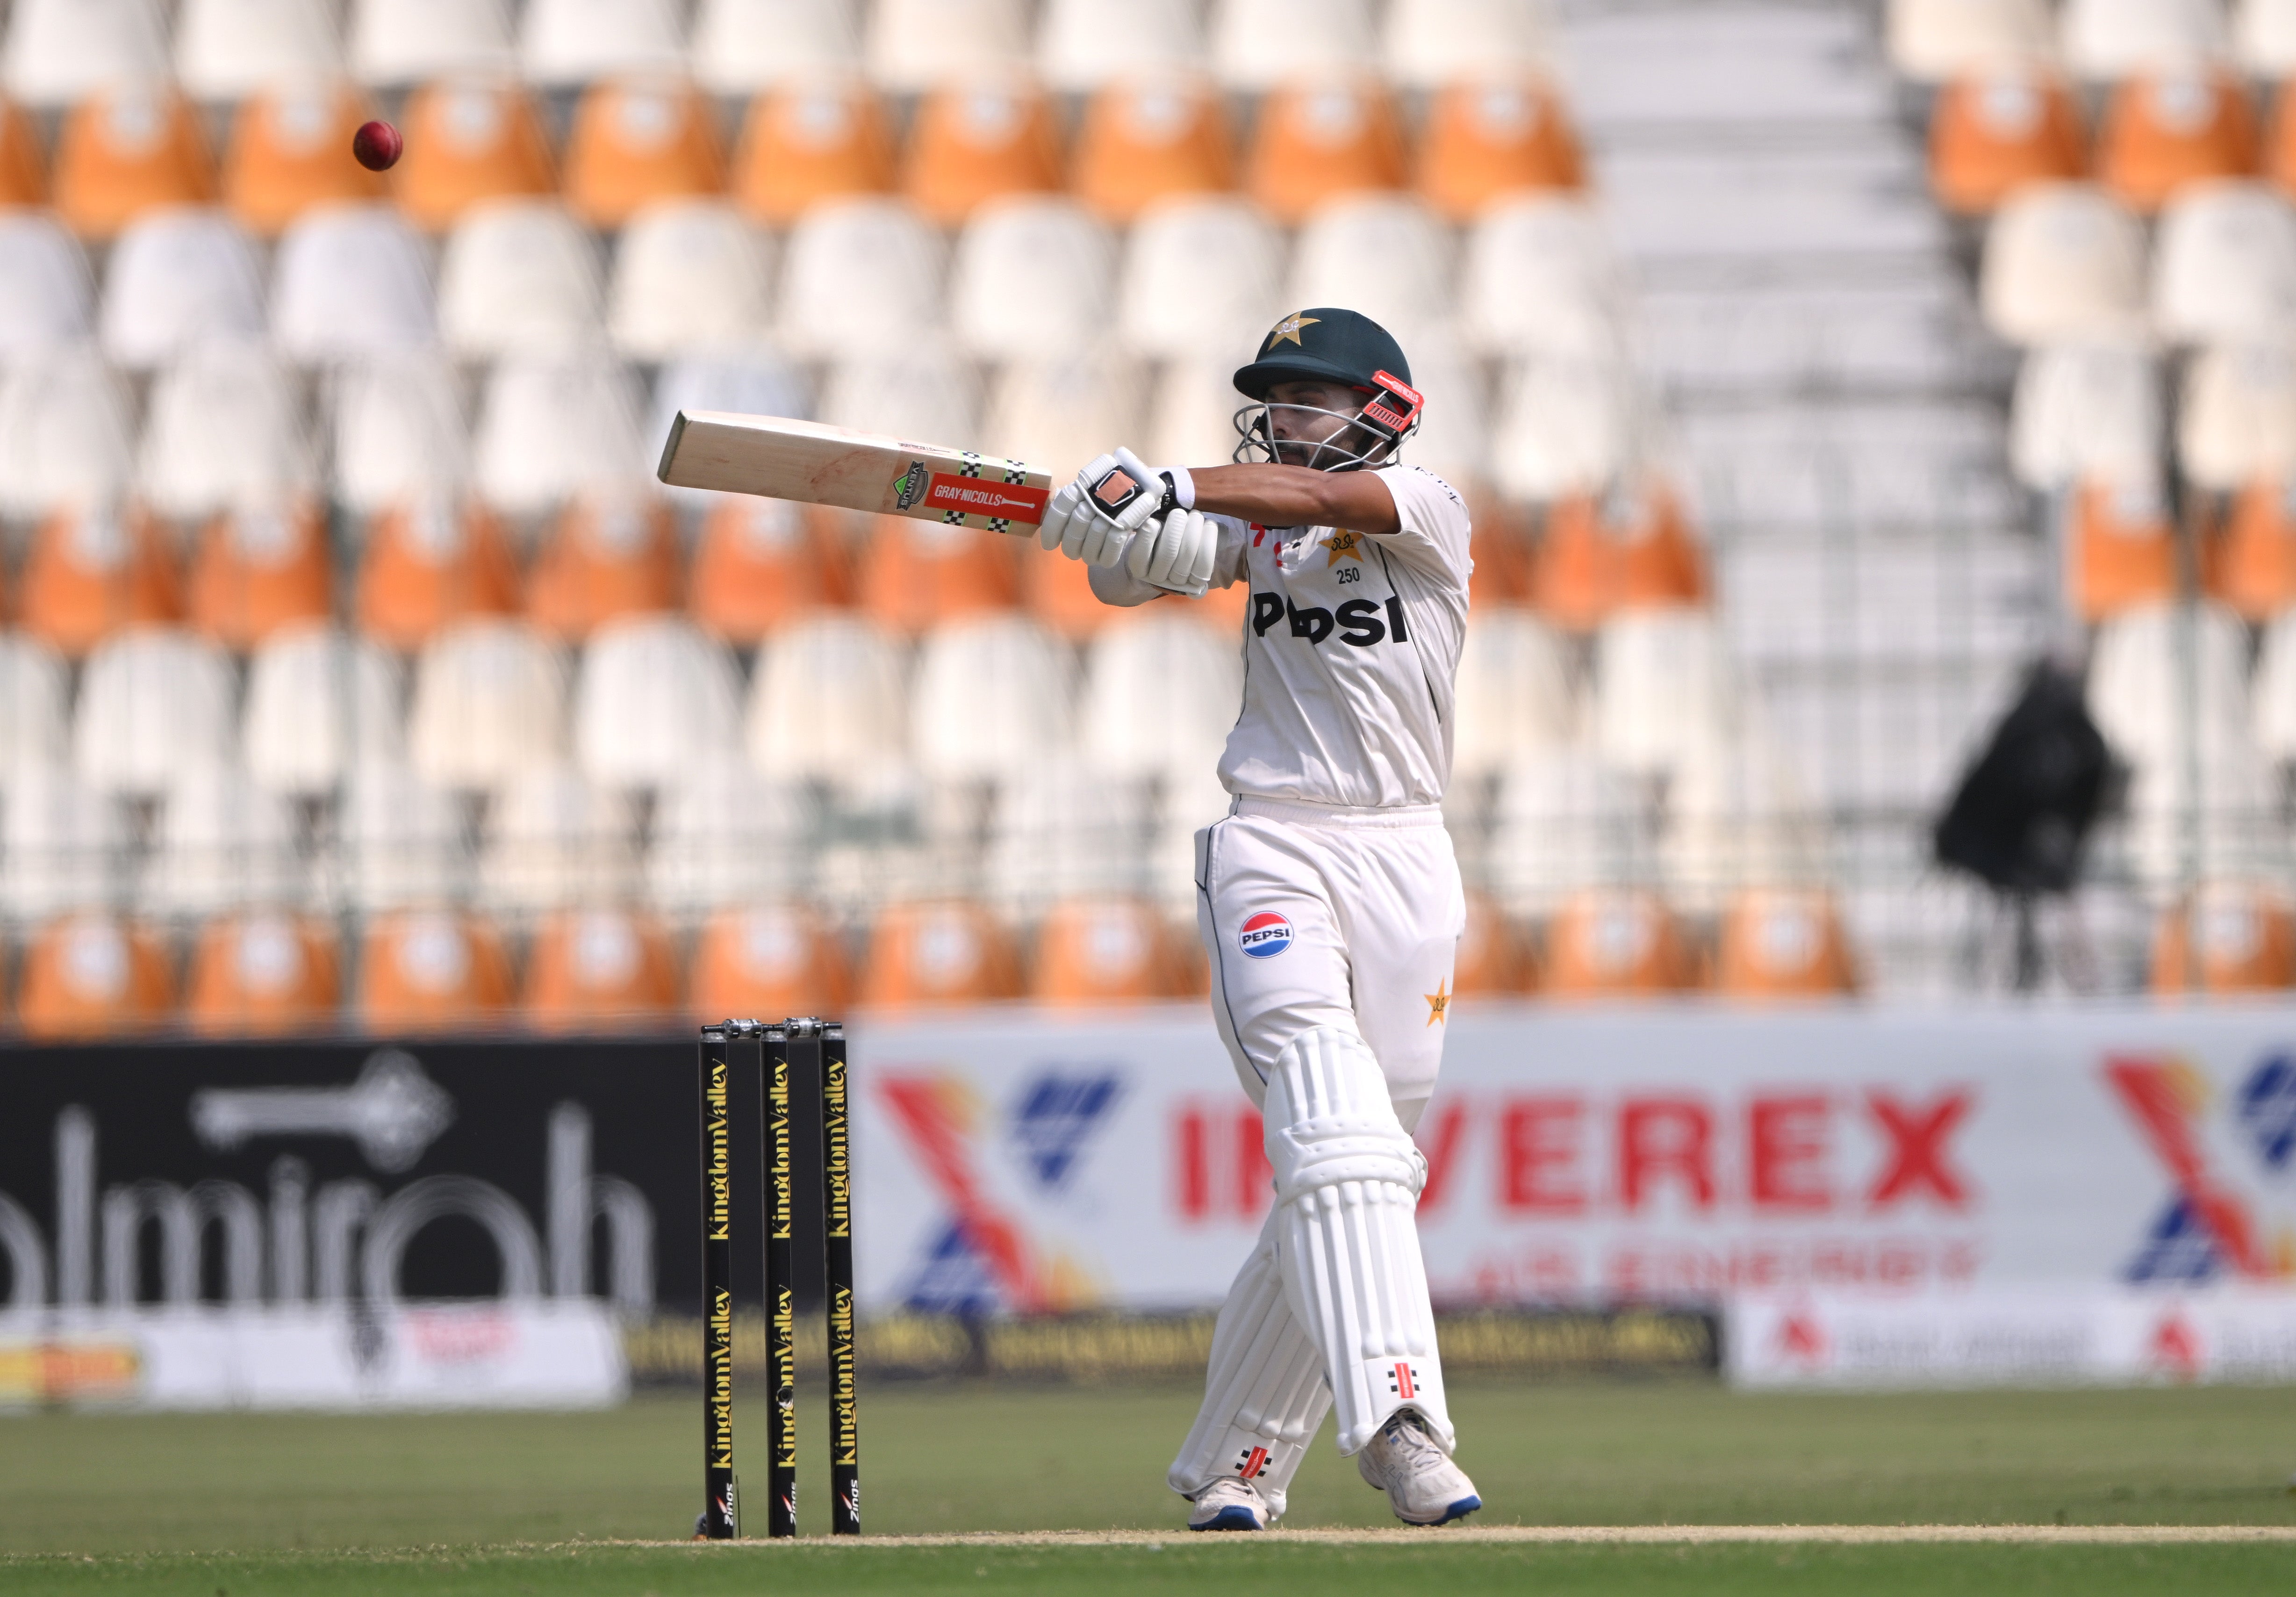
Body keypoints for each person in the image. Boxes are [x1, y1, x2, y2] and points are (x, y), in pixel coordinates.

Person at [1036, 307, 1480, 1531]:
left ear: (1380, 409)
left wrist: (1169, 481)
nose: (1287, 416)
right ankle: (1402, 1425)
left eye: (1311, 398)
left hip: (1406, 857)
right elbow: (1146, 572)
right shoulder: (1263, 530)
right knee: (1337, 1143)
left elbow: (1301, 501)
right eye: (1275, 399)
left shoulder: (1428, 507)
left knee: (1361, 1174)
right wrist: (1111, 528)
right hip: (1275, 845)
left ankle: (1240, 1460)